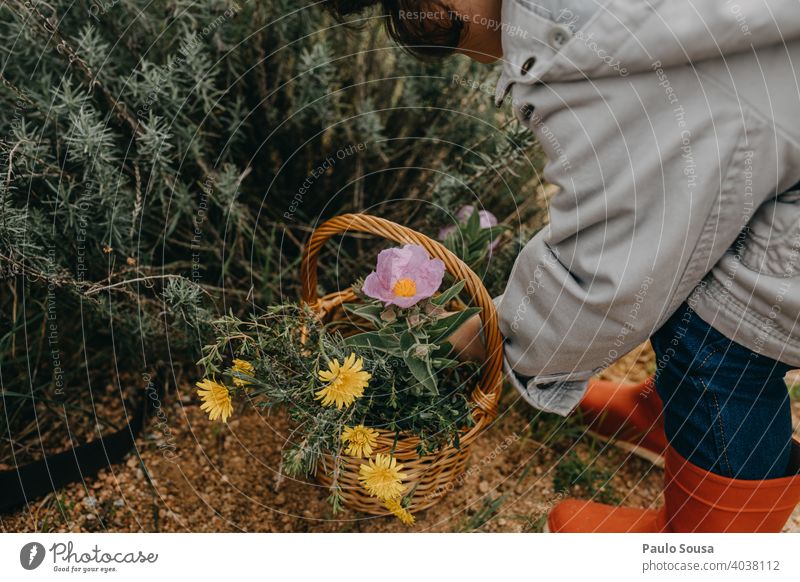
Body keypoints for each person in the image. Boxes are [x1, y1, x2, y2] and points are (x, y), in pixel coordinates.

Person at [322, 0, 800, 532]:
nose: (406, 20)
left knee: (723, 345)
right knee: (695, 246)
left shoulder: (586, 51)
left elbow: (610, 276)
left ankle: (711, 541)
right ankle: (674, 414)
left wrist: (485, 338)